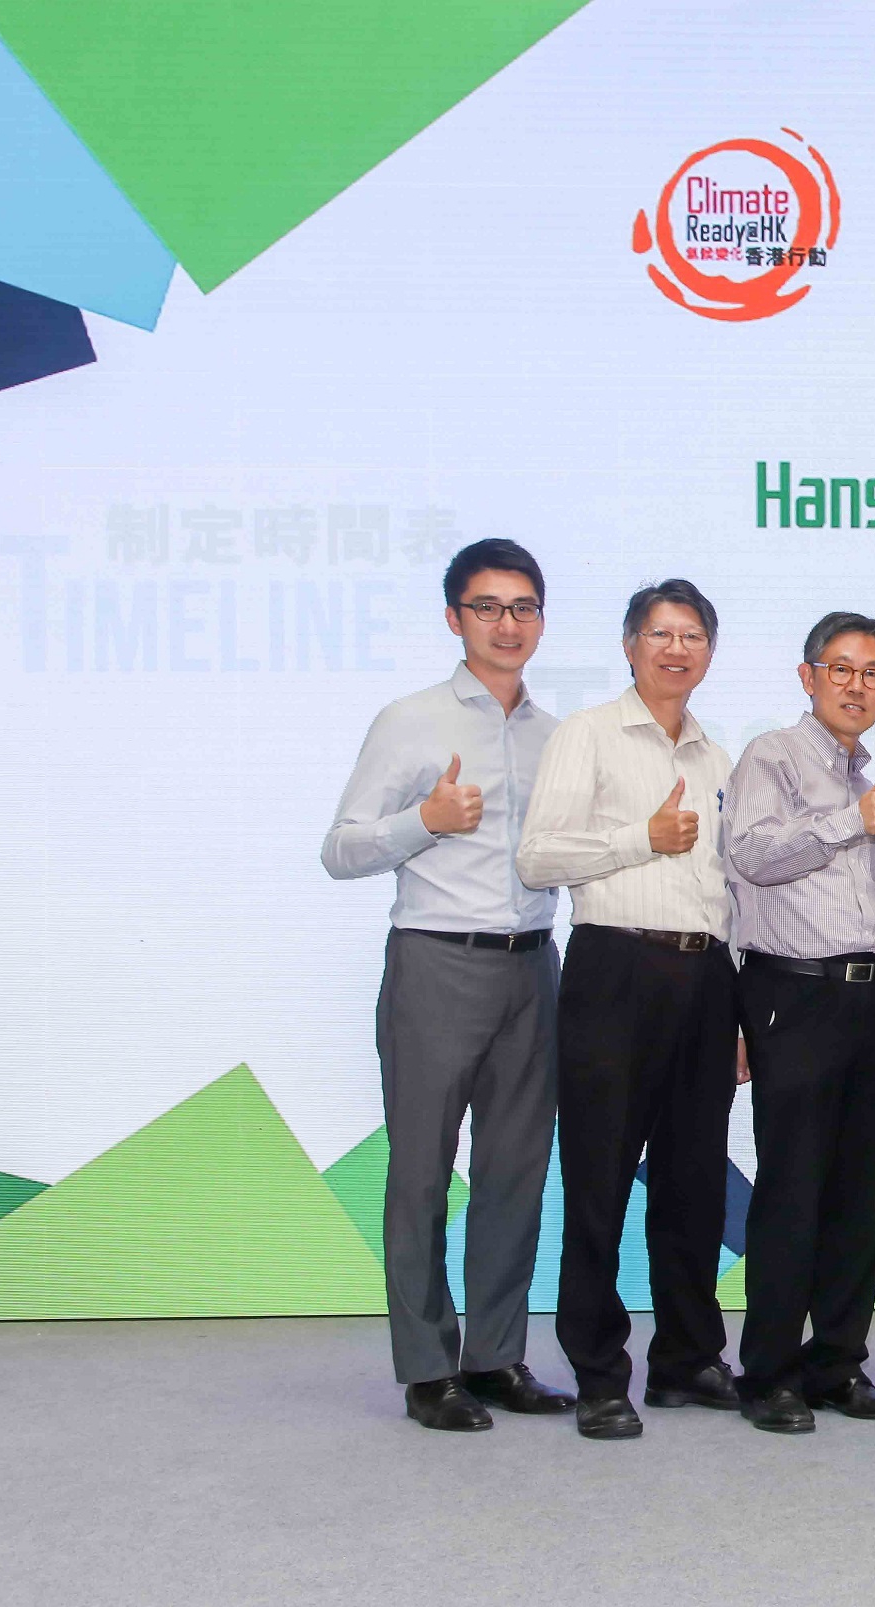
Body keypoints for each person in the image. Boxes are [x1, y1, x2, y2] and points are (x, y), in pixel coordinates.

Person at [321, 539, 574, 1431]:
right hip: (435, 959)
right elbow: (340, 848)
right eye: (487, 607)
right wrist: (422, 822)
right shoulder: (411, 719)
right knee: (422, 1172)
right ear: (452, 617)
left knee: (515, 1172)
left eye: (523, 607)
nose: (507, 624)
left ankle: (497, 1355)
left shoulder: (559, 734)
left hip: (533, 964)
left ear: (541, 618)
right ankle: (428, 1366)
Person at [517, 579, 739, 1441]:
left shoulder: (717, 760)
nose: (675, 649)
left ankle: (686, 1358)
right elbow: (537, 858)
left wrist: (741, 1011)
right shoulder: (588, 735)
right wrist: (640, 838)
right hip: (615, 967)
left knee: (692, 1182)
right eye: (659, 634)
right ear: (629, 644)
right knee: (601, 1179)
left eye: (691, 635)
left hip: (706, 977)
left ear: (709, 652)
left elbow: (729, 889)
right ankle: (600, 1373)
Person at [724, 612, 875, 1433]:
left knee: (861, 1193)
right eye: (841, 668)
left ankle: (837, 1362)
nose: (856, 685)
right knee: (793, 1188)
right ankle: (766, 1370)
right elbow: (752, 854)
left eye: (872, 673)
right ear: (808, 676)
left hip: (873, 998)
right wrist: (849, 821)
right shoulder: (772, 754)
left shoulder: (873, 773)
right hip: (794, 993)